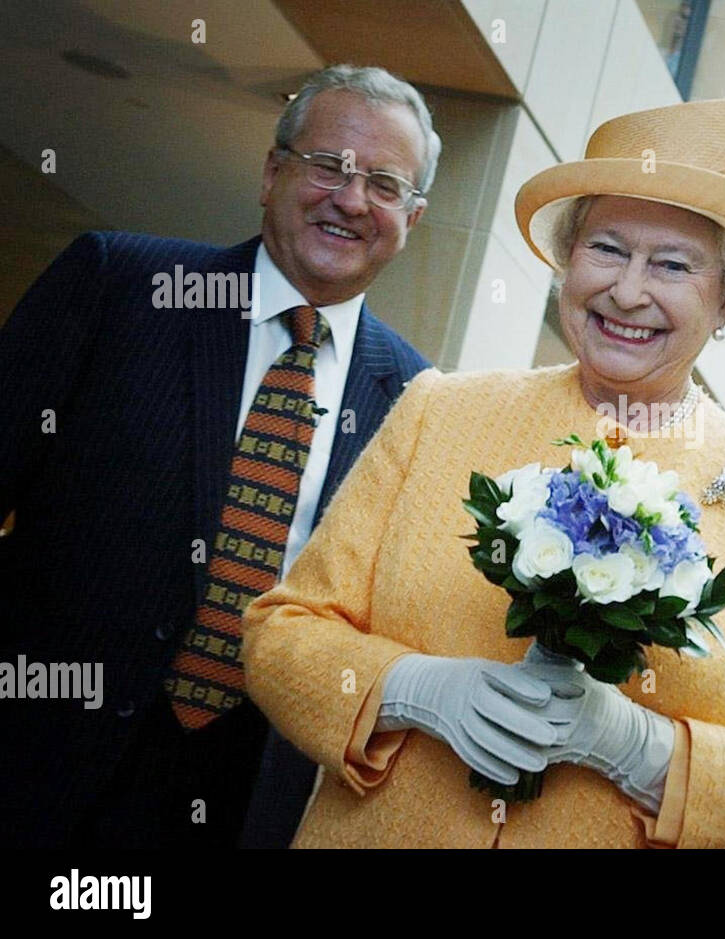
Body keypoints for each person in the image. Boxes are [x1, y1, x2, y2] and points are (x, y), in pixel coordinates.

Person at [241, 96, 725, 848]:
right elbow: (282, 635)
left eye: (672, 264)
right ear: (568, 259)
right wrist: (413, 691)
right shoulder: (439, 410)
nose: (628, 291)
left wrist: (644, 751)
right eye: (606, 248)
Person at [0, 64, 437, 848]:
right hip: (28, 758)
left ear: (412, 217)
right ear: (273, 172)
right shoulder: (120, 285)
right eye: (328, 165)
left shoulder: (419, 402)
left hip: (233, 805)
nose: (349, 198)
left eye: (382, 182)